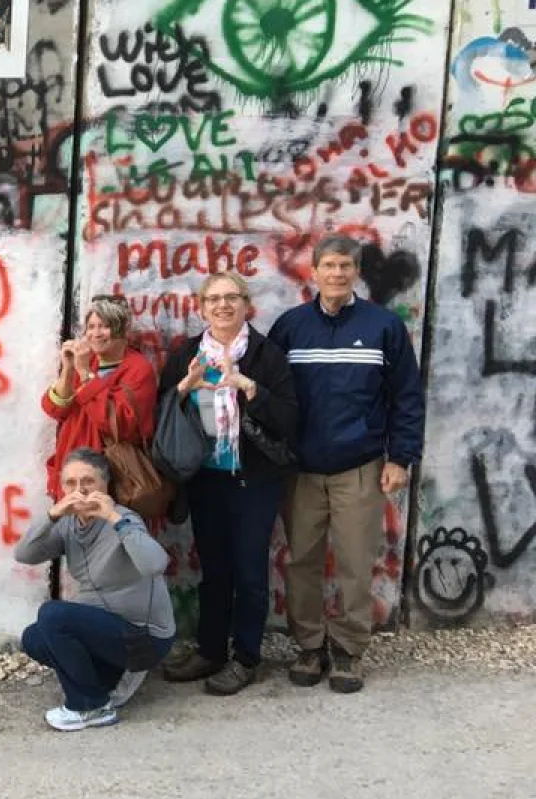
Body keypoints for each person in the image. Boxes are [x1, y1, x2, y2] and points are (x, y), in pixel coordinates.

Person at [268, 234, 425, 693]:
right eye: (329, 266)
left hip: (360, 467)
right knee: (302, 563)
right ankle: (309, 645)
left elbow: (407, 397)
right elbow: (274, 393)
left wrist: (401, 456)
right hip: (301, 468)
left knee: (357, 563)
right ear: (313, 272)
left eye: (346, 267)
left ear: (357, 273)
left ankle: (350, 650)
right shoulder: (291, 327)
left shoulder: (384, 327)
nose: (337, 274)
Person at [156, 273, 299, 695]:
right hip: (205, 480)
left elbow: (290, 418)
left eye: (231, 298)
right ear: (201, 308)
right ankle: (211, 650)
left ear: (246, 305)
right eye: (214, 299)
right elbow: (163, 411)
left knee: (250, 571)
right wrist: (185, 386)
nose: (222, 306)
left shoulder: (266, 355)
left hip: (253, 480)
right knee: (214, 570)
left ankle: (246, 657)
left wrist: (249, 386)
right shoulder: (187, 353)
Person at [15, 449, 175, 731]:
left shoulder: (125, 520)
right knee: (34, 638)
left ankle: (90, 706)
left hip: (145, 637)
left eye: (88, 482)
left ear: (106, 485)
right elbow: (24, 554)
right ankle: (104, 685)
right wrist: (53, 514)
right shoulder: (68, 525)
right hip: (109, 634)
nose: (79, 491)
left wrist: (113, 517)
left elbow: (155, 564)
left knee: (52, 615)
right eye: (70, 484)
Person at [40, 295, 158, 500]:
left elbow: (120, 424)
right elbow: (55, 409)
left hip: (111, 476)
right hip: (73, 467)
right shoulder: (86, 361)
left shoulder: (138, 369)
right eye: (91, 327)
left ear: (121, 330)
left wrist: (86, 375)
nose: (95, 334)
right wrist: (68, 369)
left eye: (104, 326)